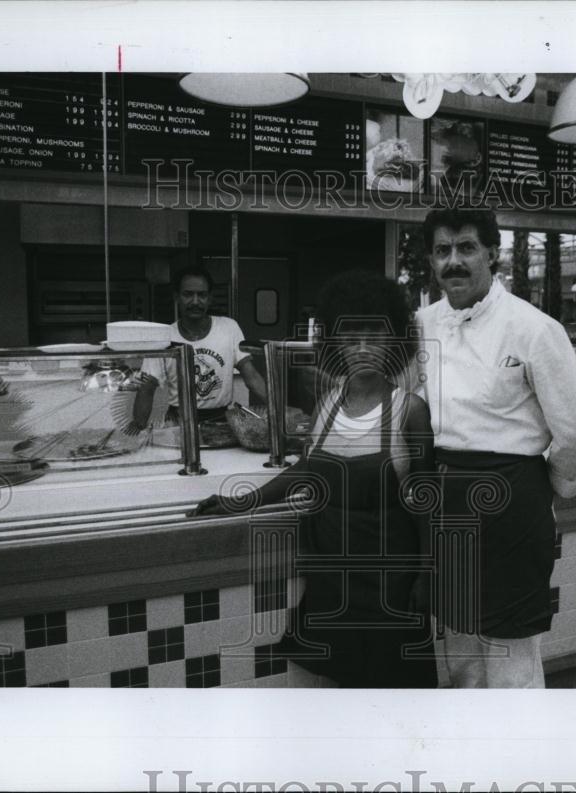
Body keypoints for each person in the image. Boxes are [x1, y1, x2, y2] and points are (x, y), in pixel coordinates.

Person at [189, 271, 438, 689]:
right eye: (350, 335)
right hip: (329, 580)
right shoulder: (326, 404)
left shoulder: (409, 411)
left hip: (389, 587)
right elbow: (307, 471)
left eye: (374, 335)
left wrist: (427, 576)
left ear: (395, 341)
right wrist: (243, 501)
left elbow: (427, 503)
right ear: (334, 342)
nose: (362, 348)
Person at [415, 208, 576, 688]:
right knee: (460, 655)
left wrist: (543, 489)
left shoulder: (533, 328)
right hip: (446, 502)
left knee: (510, 661)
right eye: (442, 251)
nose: (452, 262)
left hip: (512, 506)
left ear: (493, 254)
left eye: (466, 248)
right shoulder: (422, 323)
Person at [130, 266, 267, 430]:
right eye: (188, 294)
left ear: (210, 298)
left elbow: (251, 377)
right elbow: (147, 388)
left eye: (201, 295)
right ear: (177, 297)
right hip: (177, 424)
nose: (195, 301)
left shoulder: (229, 328)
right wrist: (137, 429)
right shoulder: (163, 338)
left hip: (221, 422)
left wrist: (278, 408)